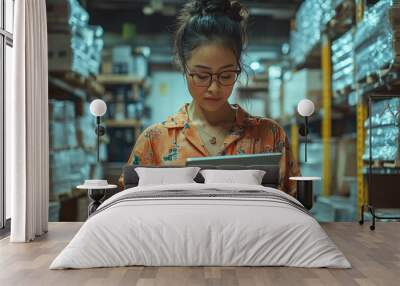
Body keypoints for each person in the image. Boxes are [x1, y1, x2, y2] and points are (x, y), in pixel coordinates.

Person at [120, 0, 300, 196]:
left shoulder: (270, 136)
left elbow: (293, 205)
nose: (214, 88)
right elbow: (127, 208)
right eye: (202, 76)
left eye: (226, 75)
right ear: (184, 67)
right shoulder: (155, 141)